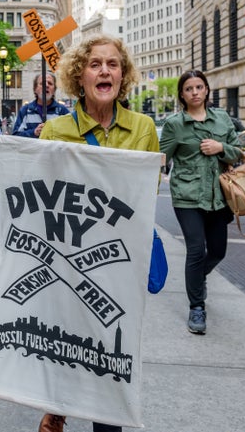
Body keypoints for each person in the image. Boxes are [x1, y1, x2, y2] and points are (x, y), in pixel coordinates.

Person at [37, 35, 160, 432]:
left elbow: (146, 196)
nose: (104, 70)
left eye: (112, 64)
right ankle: (57, 403)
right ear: (80, 75)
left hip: (117, 264)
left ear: (123, 76)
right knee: (66, 343)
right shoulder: (54, 131)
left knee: (111, 360)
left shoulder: (143, 129)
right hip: (68, 260)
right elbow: (41, 199)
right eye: (94, 64)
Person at [158, 70, 241, 335]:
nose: (194, 92)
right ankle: (197, 306)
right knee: (196, 250)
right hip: (187, 197)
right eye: (188, 88)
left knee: (217, 251)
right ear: (182, 95)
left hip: (218, 197)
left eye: (199, 87)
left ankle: (197, 279)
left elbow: (238, 152)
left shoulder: (222, 119)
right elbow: (161, 157)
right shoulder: (174, 125)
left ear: (206, 90)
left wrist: (221, 148)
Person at [12, 72, 69, 138]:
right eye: (42, 83)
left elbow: (71, 135)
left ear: (54, 90)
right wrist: (34, 132)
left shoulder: (62, 111)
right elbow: (15, 136)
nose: (46, 86)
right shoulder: (25, 111)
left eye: (50, 83)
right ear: (35, 89)